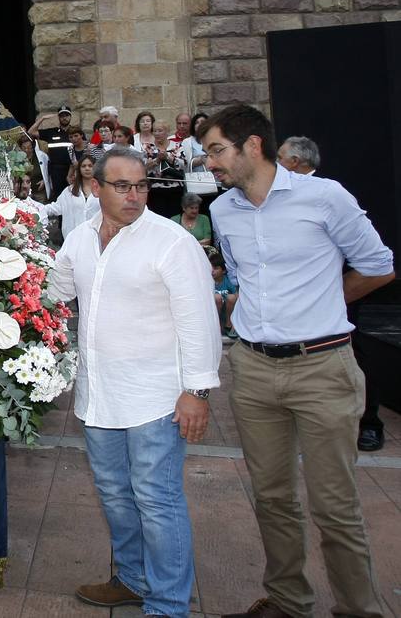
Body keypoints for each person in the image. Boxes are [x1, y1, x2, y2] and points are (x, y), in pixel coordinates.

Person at [202, 104, 393, 618]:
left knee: (335, 507)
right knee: (272, 499)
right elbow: (244, 279)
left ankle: (359, 610)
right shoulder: (223, 211)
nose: (210, 163)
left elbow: (378, 266)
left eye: (217, 150)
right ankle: (288, 602)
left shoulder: (325, 197)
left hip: (322, 369)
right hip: (253, 370)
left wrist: (327, 300)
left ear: (253, 146)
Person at [53, 148, 221, 618]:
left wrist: (197, 391)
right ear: (96, 188)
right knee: (113, 493)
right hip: (98, 394)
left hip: (157, 398)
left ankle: (168, 605)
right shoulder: (80, 238)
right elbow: (54, 291)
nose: (134, 195)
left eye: (141, 185)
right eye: (122, 186)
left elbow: (198, 320)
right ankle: (132, 579)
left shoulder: (170, 241)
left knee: (156, 498)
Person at [40, 155, 99, 241]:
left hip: (96, 239)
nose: (87, 168)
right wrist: (35, 207)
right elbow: (55, 208)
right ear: (79, 169)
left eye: (90, 166)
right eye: (83, 166)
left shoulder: (103, 190)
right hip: (73, 239)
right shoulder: (69, 191)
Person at [29, 106, 77, 200]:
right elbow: (31, 132)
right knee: (58, 197)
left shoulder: (75, 132)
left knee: (73, 196)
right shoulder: (52, 132)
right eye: (62, 115)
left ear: (70, 116)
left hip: (71, 169)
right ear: (58, 117)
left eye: (67, 115)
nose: (64, 118)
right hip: (56, 171)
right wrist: (42, 119)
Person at [210, 251, 239, 341]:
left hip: (227, 313)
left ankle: (229, 325)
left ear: (224, 270)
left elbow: (237, 297)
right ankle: (216, 326)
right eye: (211, 268)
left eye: (216, 268)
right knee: (217, 298)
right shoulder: (207, 280)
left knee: (232, 297)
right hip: (213, 314)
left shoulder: (227, 280)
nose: (212, 271)